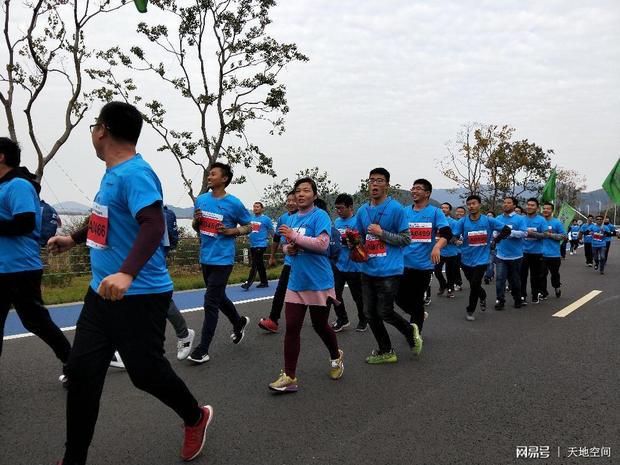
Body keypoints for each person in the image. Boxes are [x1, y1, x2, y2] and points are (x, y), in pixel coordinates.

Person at [47, 102, 211, 464]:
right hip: (100, 293)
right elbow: (102, 218)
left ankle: (195, 416)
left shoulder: (136, 173)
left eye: (93, 125)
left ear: (102, 130)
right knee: (81, 372)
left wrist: (127, 273)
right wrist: (72, 240)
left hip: (140, 295)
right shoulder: (112, 173)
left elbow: (153, 225)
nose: (92, 132)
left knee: (146, 373)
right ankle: (74, 458)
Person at [0, 137, 71, 382]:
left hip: (20, 268)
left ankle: (73, 363)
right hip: (4, 267)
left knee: (36, 322)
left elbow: (25, 223)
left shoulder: (18, 185)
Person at [268, 178, 343, 392]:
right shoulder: (291, 219)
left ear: (315, 196)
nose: (301, 194)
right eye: (298, 191)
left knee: (320, 325)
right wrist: (287, 249)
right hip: (296, 280)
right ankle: (290, 377)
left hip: (318, 281)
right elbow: (286, 245)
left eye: (306, 191)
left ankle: (336, 356)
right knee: (292, 327)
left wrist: (294, 238)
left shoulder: (320, 216)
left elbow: (322, 244)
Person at [189, 162, 252, 363]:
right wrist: (197, 221)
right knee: (217, 297)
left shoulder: (234, 203)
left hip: (223, 259)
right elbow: (196, 227)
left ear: (224, 178)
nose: (209, 176)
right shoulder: (201, 200)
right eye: (209, 173)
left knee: (210, 302)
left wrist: (233, 231)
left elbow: (250, 226)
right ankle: (239, 321)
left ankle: (203, 349)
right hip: (205, 257)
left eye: (213, 173)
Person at [356, 168, 416, 364]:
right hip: (367, 269)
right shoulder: (362, 211)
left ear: (387, 185)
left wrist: (382, 233)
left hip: (389, 270)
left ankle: (409, 330)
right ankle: (386, 350)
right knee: (369, 313)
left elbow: (406, 239)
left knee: (385, 312)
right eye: (371, 180)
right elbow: (359, 238)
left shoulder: (396, 208)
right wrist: (351, 242)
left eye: (379, 180)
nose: (374, 184)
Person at [396, 178, 451, 353]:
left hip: (423, 266)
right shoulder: (404, 212)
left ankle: (414, 334)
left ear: (427, 193)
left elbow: (447, 234)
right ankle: (418, 314)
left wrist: (437, 246)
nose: (414, 191)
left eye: (418, 188)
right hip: (402, 264)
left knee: (417, 299)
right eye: (413, 188)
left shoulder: (435, 213)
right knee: (397, 297)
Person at [452, 195, 510, 320]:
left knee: (475, 283)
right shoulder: (462, 221)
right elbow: (453, 236)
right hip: (466, 258)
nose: (471, 206)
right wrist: (456, 241)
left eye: (474, 203)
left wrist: (495, 240)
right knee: (474, 284)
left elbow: (506, 230)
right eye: (469, 204)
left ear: (479, 205)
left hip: (482, 258)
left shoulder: (488, 220)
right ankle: (482, 296)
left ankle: (470, 310)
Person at [258, 191, 297, 333]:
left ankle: (332, 315)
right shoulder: (282, 218)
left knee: (312, 292)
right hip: (289, 262)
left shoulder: (307, 217)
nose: (290, 203)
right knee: (280, 290)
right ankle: (273, 320)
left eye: (293, 200)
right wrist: (272, 256)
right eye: (288, 200)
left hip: (307, 263)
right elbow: (276, 238)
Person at [329, 193, 367, 332]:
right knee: (334, 294)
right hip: (338, 265)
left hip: (355, 266)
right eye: (336, 208)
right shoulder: (337, 222)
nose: (338, 211)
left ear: (350, 207)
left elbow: (363, 240)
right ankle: (342, 319)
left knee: (358, 297)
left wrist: (353, 241)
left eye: (341, 208)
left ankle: (363, 319)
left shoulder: (358, 222)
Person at [493, 197, 527, 310]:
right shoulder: (498, 218)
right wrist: (497, 235)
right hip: (501, 255)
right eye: (504, 202)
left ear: (514, 205)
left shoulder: (520, 219)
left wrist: (508, 233)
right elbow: (494, 233)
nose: (506, 204)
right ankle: (500, 300)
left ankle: (517, 299)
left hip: (516, 256)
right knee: (500, 279)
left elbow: (524, 233)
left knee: (515, 280)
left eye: (509, 203)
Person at [242, 201, 273, 290]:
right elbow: (248, 230)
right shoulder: (250, 219)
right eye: (254, 206)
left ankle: (248, 283)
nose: (255, 208)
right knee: (259, 264)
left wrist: (276, 242)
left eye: (257, 207)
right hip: (253, 244)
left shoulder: (266, 219)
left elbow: (271, 231)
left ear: (262, 209)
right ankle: (264, 282)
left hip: (262, 244)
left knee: (255, 263)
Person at [520, 198, 546, 304]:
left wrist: (532, 233)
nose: (529, 207)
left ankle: (535, 294)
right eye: (528, 205)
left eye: (532, 205)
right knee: (522, 275)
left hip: (536, 252)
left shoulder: (541, 220)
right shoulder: (521, 219)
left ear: (537, 208)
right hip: (522, 252)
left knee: (535, 275)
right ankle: (522, 295)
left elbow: (545, 235)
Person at [540, 202, 567, 297]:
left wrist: (550, 235)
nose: (545, 210)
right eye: (544, 208)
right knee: (542, 274)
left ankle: (556, 286)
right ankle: (543, 292)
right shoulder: (539, 221)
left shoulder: (556, 222)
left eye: (548, 208)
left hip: (554, 254)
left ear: (552, 211)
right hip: (541, 253)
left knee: (554, 274)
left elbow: (564, 236)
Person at [433, 202, 459, 298]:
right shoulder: (436, 222)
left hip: (451, 252)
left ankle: (450, 289)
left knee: (450, 273)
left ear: (449, 210)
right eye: (442, 208)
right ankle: (443, 284)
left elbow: (456, 237)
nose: (443, 209)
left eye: (446, 208)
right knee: (437, 270)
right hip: (439, 251)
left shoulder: (454, 223)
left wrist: (444, 240)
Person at [453, 206, 467, 290]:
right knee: (455, 267)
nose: (459, 213)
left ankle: (472, 280)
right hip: (456, 250)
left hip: (466, 250)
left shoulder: (467, 223)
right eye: (458, 211)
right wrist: (455, 241)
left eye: (461, 212)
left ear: (465, 213)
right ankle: (458, 283)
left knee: (466, 268)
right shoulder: (453, 223)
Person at [484, 211, 497, 284]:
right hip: (487, 248)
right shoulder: (484, 226)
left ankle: (490, 274)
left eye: (491, 215)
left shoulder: (496, 226)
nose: (489, 217)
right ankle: (488, 276)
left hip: (496, 248)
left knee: (492, 262)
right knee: (489, 262)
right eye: (487, 215)